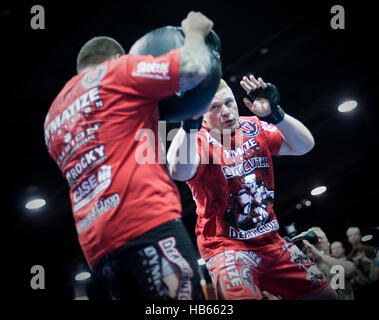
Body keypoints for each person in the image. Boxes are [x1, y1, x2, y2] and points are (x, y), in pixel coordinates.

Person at [44, 11, 214, 300]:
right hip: (145, 222)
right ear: (117, 57)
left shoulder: (52, 117)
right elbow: (193, 68)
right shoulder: (117, 71)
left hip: (98, 246)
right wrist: (196, 32)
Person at [166, 75, 338, 300]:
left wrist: (276, 114)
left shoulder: (253, 127)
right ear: (201, 115)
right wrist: (188, 122)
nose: (226, 111)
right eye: (215, 107)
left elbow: (304, 145)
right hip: (226, 248)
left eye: (228, 102)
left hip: (271, 242)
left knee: (326, 296)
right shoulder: (196, 140)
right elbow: (178, 170)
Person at [302, 227, 356, 300]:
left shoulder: (341, 261)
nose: (319, 241)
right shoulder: (308, 269)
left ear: (328, 242)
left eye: (321, 238)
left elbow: (350, 271)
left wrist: (319, 255)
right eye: (314, 239)